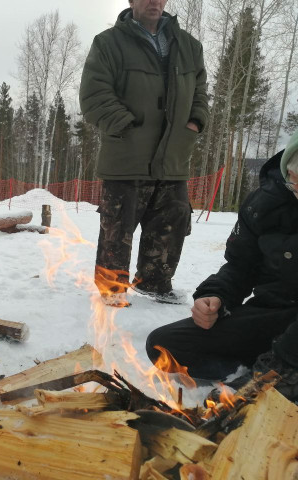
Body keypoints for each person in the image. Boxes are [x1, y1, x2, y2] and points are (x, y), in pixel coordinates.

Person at [145, 132, 298, 401]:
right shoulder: (264, 204)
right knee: (163, 346)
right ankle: (252, 370)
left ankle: (281, 373)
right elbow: (240, 265)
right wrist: (215, 296)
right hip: (273, 315)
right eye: (295, 183)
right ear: (287, 172)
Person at [80, 0, 209, 307]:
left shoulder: (189, 45)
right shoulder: (109, 42)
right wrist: (126, 125)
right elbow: (93, 94)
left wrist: (195, 121)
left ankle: (155, 282)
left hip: (173, 156)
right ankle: (112, 289)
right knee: (117, 226)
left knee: (172, 220)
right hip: (126, 155)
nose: (154, 1)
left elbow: (201, 90)